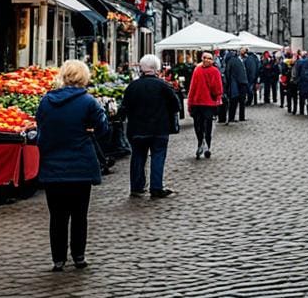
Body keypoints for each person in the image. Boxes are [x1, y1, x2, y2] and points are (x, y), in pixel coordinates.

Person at [36, 60, 110, 271]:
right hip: (80, 166)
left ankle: (58, 259)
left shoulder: (46, 101)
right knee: (79, 215)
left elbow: (40, 128)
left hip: (53, 166)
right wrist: (89, 130)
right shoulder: (88, 102)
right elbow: (104, 129)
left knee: (57, 216)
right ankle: (78, 255)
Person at [118, 54, 181, 199]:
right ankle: (156, 187)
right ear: (156, 69)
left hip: (137, 129)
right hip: (159, 129)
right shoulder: (163, 86)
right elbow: (176, 105)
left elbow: (124, 108)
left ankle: (136, 187)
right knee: (158, 156)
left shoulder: (132, 86)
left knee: (138, 156)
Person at [187, 51, 223, 159]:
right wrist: (190, 102)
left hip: (203, 103)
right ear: (202, 58)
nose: (207, 60)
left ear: (212, 60)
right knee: (203, 125)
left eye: (209, 58)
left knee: (202, 125)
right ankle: (203, 144)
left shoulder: (209, 71)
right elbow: (217, 89)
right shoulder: (201, 70)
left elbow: (217, 88)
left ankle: (203, 144)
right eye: (205, 58)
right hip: (202, 103)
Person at [224, 48, 249, 122]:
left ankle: (234, 117)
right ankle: (239, 117)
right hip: (240, 83)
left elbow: (228, 73)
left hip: (238, 83)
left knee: (236, 101)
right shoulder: (236, 60)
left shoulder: (233, 61)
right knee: (238, 102)